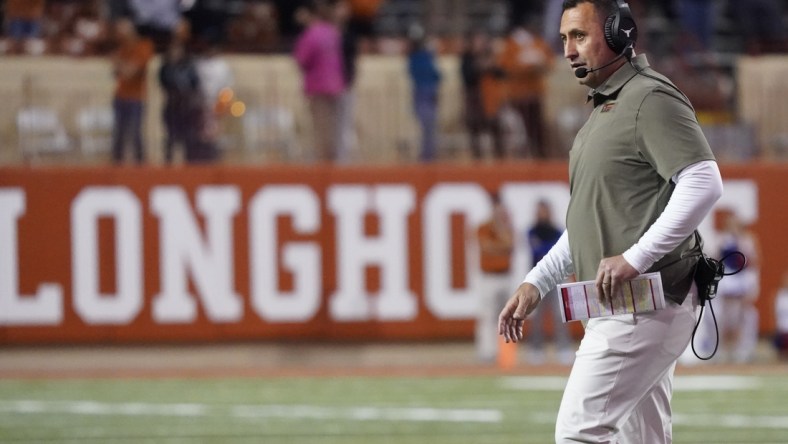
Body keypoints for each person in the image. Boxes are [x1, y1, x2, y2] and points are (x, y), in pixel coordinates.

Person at [497, 1, 723, 442]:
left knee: (578, 433)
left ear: (620, 32)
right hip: (626, 303)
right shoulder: (608, 107)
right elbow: (588, 218)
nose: (567, 50)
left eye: (579, 36)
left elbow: (703, 180)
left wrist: (636, 257)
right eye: (563, 38)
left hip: (642, 301)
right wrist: (537, 281)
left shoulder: (648, 97)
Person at [293, 0, 346, 163]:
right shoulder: (333, 32)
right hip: (336, 85)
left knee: (320, 128)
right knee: (334, 128)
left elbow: (301, 59)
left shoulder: (312, 34)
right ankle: (332, 160)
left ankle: (324, 164)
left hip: (318, 86)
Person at [497, 20, 555, 159]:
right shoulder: (512, 43)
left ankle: (540, 158)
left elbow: (549, 62)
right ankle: (523, 159)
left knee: (538, 129)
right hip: (518, 96)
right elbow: (505, 67)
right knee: (521, 132)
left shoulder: (537, 42)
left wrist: (538, 64)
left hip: (535, 94)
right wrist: (526, 66)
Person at [524, 200, 573, 365]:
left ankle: (563, 348)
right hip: (537, 280)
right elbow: (538, 251)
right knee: (536, 318)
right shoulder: (532, 231)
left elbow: (556, 252)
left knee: (560, 316)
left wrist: (547, 249)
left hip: (557, 278)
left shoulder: (557, 230)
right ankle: (535, 350)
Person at [715, 210, 760, 363]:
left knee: (742, 316)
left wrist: (753, 284)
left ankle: (740, 349)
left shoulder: (748, 239)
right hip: (728, 278)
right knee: (726, 316)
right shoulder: (723, 239)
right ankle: (722, 349)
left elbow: (754, 261)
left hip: (743, 278)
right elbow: (716, 258)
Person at [475, 192, 514, 363]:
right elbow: (486, 246)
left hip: (505, 276)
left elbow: (510, 244)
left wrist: (500, 229)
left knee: (508, 316)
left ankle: (506, 355)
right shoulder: (484, 227)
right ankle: (486, 353)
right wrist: (501, 245)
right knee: (487, 316)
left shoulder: (505, 227)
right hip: (488, 278)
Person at [110, 18, 155, 164]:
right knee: (118, 134)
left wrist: (121, 65)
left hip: (136, 97)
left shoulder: (144, 46)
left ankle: (140, 166)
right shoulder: (121, 48)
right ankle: (116, 166)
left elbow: (130, 72)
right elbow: (116, 72)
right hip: (120, 96)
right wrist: (123, 67)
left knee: (135, 134)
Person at [460, 30, 506, 160]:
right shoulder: (467, 58)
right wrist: (481, 67)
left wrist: (489, 66)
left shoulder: (491, 57)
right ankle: (477, 159)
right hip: (475, 100)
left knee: (496, 131)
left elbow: (502, 74)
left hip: (491, 101)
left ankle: (500, 158)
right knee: (475, 132)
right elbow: (467, 77)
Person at [158, 40, 204, 164]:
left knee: (189, 136)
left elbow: (195, 84)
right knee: (171, 136)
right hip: (173, 105)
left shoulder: (189, 66)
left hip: (187, 106)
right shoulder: (165, 67)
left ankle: (190, 161)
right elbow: (163, 83)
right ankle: (169, 162)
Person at [407, 24, 442, 162]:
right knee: (427, 125)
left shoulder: (426, 56)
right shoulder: (417, 57)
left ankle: (429, 154)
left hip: (428, 93)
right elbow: (433, 74)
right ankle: (427, 154)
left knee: (430, 126)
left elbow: (436, 75)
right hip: (422, 93)